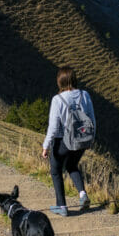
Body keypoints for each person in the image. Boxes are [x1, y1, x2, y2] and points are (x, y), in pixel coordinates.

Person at [41, 67, 93, 217]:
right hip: (82, 138)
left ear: (60, 82)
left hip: (62, 141)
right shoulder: (85, 95)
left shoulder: (58, 100)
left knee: (56, 171)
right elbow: (92, 119)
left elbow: (53, 127)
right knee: (71, 165)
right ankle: (82, 194)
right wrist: (91, 139)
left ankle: (62, 206)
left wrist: (46, 146)